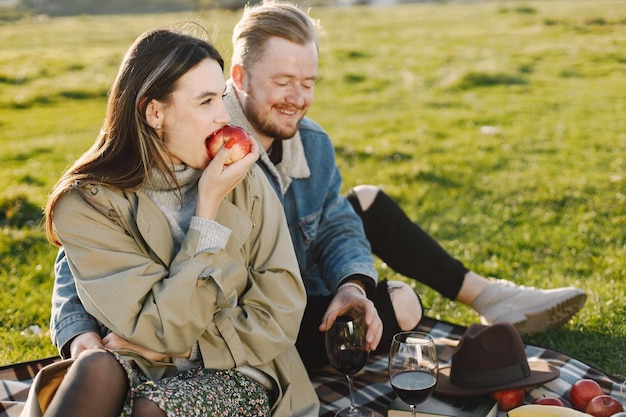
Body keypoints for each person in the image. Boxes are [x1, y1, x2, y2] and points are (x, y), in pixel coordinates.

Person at [51, 1, 586, 372]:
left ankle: (491, 297)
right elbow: (90, 244)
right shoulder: (199, 141)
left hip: (291, 287)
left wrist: (353, 283)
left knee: (365, 207)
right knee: (401, 306)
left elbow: (332, 221)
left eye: (308, 83)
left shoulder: (311, 141)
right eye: (282, 82)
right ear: (238, 78)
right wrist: (81, 338)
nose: (297, 98)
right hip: (233, 304)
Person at [41, 26, 318, 417]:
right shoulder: (87, 205)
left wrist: (190, 347)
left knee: (152, 407)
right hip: (140, 363)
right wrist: (206, 215)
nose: (224, 116)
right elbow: (152, 334)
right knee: (95, 368)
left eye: (220, 97)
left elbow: (282, 310)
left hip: (239, 369)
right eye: (205, 102)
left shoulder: (244, 178)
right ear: (155, 112)